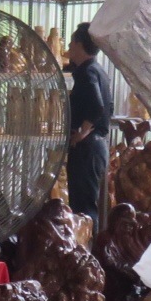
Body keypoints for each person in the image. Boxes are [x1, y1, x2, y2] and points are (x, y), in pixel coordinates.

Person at [65, 22, 111, 224]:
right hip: (97, 146)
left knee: (83, 209)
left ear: (79, 44)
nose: (68, 46)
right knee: (87, 204)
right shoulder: (98, 70)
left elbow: (97, 106)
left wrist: (82, 133)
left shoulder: (87, 72)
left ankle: (88, 243)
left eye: (71, 42)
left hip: (87, 149)